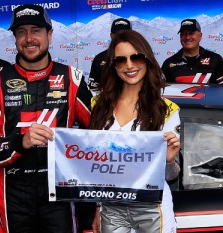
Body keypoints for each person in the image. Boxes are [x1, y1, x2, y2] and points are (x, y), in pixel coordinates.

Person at [0, 4, 93, 233]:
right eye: (21, 32)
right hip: (14, 192)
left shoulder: (72, 79)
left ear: (49, 34)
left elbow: (99, 134)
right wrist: (21, 141)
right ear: (14, 38)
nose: (29, 39)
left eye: (36, 30)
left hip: (59, 192)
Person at [90, 30, 181, 233]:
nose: (129, 65)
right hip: (111, 207)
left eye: (136, 57)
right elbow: (95, 166)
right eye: (121, 60)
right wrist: (98, 207)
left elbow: (172, 175)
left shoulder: (167, 110)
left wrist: (168, 161)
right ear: (113, 66)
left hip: (152, 206)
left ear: (147, 59)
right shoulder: (98, 105)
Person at [162, 18, 223, 84]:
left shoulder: (216, 59)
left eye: (191, 33)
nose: (187, 37)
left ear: (200, 36)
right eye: (183, 34)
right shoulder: (168, 63)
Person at [88, 18, 132, 91]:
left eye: (125, 34)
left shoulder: (140, 56)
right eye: (118, 34)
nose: (121, 37)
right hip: (108, 101)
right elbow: (93, 88)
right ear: (111, 35)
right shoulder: (100, 58)